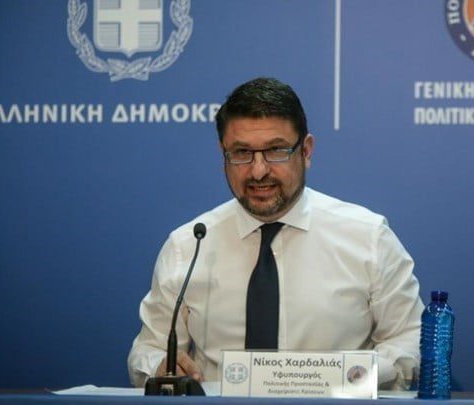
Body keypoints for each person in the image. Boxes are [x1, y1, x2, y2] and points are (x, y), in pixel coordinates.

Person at [127, 77, 422, 390]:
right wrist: (159, 364)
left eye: (276, 151)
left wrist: (353, 375)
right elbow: (148, 349)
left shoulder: (368, 237)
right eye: (242, 152)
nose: (258, 171)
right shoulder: (188, 245)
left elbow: (409, 339)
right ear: (223, 154)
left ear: (306, 151)